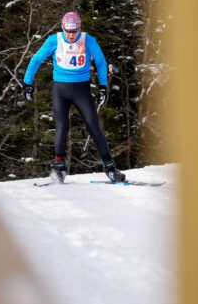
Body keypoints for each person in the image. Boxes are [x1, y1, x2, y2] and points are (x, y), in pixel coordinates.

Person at [22, 11, 125, 183]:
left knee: (94, 127)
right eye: (68, 32)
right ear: (63, 28)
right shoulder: (54, 40)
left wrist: (103, 86)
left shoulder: (88, 40)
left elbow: (101, 62)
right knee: (62, 127)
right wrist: (27, 83)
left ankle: (110, 167)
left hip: (81, 90)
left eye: (74, 32)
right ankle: (60, 167)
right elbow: (36, 59)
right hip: (60, 90)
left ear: (79, 29)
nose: (71, 35)